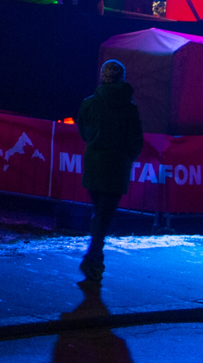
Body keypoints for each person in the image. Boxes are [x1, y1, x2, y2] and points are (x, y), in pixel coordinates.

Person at [76, 58, 144, 281]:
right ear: (121, 78)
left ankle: (95, 258)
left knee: (100, 213)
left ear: (102, 77)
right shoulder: (130, 109)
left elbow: (84, 133)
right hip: (117, 167)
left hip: (94, 165)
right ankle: (93, 258)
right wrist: (126, 157)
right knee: (104, 215)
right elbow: (136, 141)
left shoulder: (89, 104)